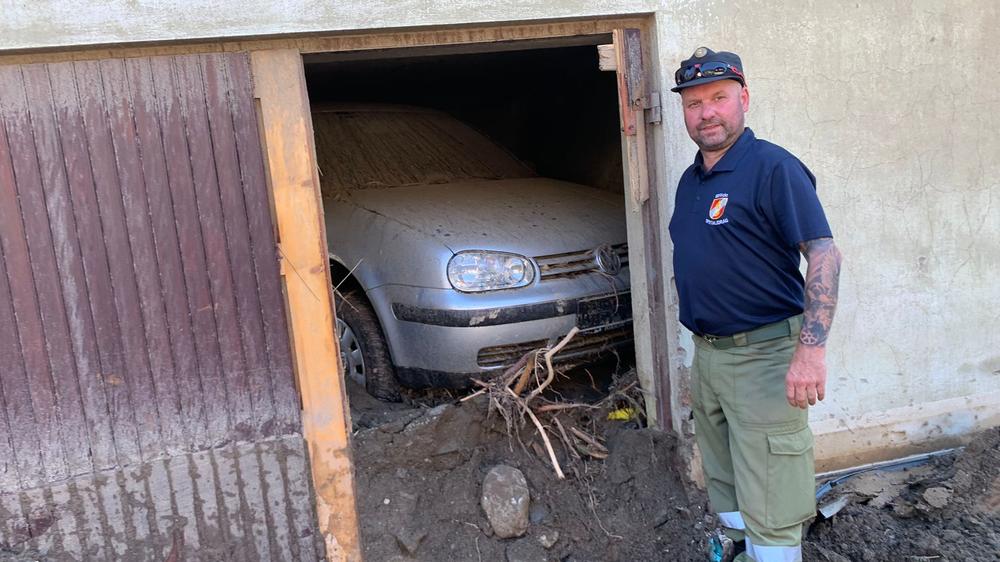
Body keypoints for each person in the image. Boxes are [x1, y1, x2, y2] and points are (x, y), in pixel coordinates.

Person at [667, 47, 843, 562]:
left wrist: (810, 352)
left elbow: (824, 254)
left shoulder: (773, 168)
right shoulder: (690, 181)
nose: (707, 113)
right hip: (711, 356)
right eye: (694, 102)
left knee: (772, 488)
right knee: (725, 479)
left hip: (766, 357)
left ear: (743, 99)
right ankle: (743, 552)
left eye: (718, 98)